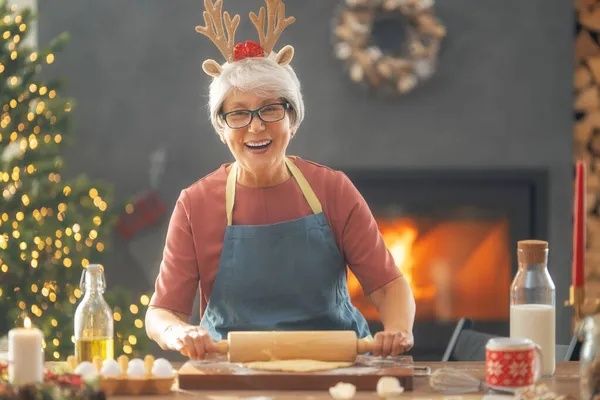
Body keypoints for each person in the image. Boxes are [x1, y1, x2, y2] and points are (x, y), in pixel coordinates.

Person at [145, 0, 416, 361]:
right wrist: (179, 332)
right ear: (222, 128)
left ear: (292, 119)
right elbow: (161, 314)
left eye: (271, 109)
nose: (256, 126)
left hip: (335, 366)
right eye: (239, 113)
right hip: (233, 371)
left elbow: (388, 286)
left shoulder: (332, 190)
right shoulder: (195, 203)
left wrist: (398, 329)